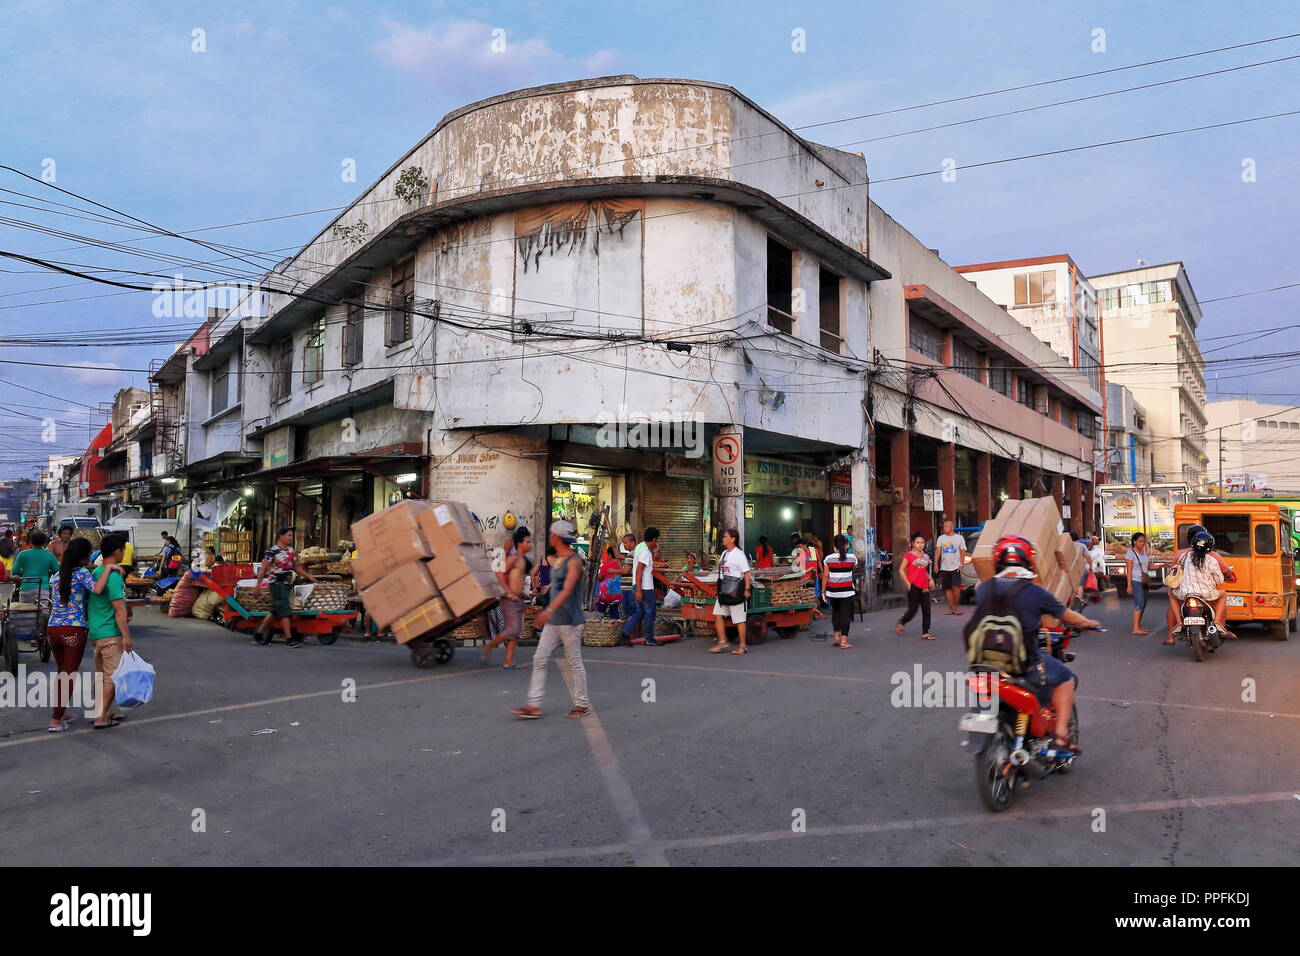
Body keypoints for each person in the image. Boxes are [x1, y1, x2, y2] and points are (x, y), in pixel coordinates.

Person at [967, 534, 1099, 751]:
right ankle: (1061, 735)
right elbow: (1068, 617)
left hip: (985, 665)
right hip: (1025, 664)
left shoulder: (983, 589)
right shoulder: (1035, 592)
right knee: (1065, 679)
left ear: (997, 562)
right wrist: (1087, 623)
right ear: (1028, 561)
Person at [512, 521, 591, 719]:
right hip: (554, 620)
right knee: (539, 659)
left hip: (570, 620)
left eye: (551, 534)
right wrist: (549, 591)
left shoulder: (574, 561)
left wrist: (548, 609)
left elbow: (568, 588)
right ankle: (533, 705)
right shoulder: (558, 559)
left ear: (557, 537)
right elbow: (559, 585)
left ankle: (582, 705)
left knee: (574, 662)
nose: (550, 537)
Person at [45, 537, 116, 732]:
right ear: (85, 556)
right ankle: (55, 720)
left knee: (62, 673)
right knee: (68, 675)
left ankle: (62, 712)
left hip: (53, 629)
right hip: (74, 629)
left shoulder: (58, 575)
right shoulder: (83, 574)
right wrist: (108, 568)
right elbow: (98, 589)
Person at [87, 533, 132, 730]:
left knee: (102, 676)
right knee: (112, 677)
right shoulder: (113, 577)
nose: (124, 553)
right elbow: (119, 609)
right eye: (123, 549)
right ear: (117, 551)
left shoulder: (98, 573)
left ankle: (100, 711)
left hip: (97, 632)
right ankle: (101, 717)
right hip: (109, 632)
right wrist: (126, 636)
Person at [249, 526, 319, 648]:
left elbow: (296, 567)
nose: (291, 538)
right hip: (276, 584)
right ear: (281, 536)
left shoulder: (291, 551)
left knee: (276, 611)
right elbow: (264, 568)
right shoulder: (272, 551)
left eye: (291, 535)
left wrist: (309, 576)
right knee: (284, 610)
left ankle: (259, 634)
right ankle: (289, 639)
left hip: (287, 585)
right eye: (289, 535)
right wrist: (258, 585)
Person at [1164, 524, 1232, 642]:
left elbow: (1174, 572)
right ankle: (1218, 624)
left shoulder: (1182, 555)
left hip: (1184, 592)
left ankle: (1175, 628)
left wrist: (1172, 589)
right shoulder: (1213, 558)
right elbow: (1223, 576)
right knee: (1223, 595)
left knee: (1172, 598)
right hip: (1206, 594)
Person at [482, 526, 532, 668]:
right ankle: (488, 646)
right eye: (527, 541)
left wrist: (524, 595)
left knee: (515, 633)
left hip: (517, 599)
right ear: (520, 544)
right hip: (509, 600)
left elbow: (517, 581)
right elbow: (498, 573)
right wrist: (509, 592)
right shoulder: (513, 558)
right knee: (511, 630)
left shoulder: (522, 560)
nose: (529, 544)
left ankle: (508, 660)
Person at [709, 527, 752, 655]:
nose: (723, 538)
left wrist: (747, 589)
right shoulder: (724, 554)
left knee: (739, 620)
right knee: (717, 615)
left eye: (726, 536)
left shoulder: (739, 554)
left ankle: (743, 646)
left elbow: (746, 572)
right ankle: (723, 642)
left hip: (736, 590)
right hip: (724, 589)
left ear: (733, 539)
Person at [620, 527, 663, 647]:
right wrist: (639, 590)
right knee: (650, 613)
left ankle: (625, 632)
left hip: (637, 585)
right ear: (654, 539)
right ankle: (649, 638)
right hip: (645, 587)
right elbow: (639, 570)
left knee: (640, 612)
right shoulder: (645, 552)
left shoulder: (640, 546)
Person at [821, 533, 859, 648]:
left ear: (834, 545)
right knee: (845, 614)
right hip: (847, 591)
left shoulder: (828, 559)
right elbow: (853, 569)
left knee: (836, 612)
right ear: (845, 544)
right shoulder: (852, 558)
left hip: (833, 590)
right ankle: (844, 642)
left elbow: (826, 576)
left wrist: (823, 592)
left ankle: (836, 637)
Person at [895, 533, 934, 640]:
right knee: (912, 610)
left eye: (922, 542)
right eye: (917, 542)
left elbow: (923, 570)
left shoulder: (926, 556)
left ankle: (925, 632)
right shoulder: (908, 555)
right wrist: (907, 582)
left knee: (927, 610)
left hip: (925, 586)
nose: (920, 545)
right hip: (914, 586)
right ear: (912, 544)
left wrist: (930, 579)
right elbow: (901, 570)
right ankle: (902, 622)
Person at [11, 530, 60, 604]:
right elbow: (57, 572)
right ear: (45, 543)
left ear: (30, 542)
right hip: (43, 589)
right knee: (42, 613)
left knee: (25, 612)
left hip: (25, 589)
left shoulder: (23, 554)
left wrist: (24, 573)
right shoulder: (50, 556)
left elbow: (15, 571)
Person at [935, 519, 967, 615]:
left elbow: (962, 552)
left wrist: (961, 564)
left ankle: (956, 608)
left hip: (956, 566)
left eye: (947, 526)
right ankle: (950, 608)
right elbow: (938, 551)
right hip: (944, 567)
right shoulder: (941, 538)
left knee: (955, 587)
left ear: (952, 527)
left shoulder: (959, 538)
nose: (945, 528)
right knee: (947, 588)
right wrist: (936, 563)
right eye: (944, 526)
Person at [1124, 532, 1152, 635]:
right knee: (1139, 603)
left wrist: (1164, 565)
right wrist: (1129, 585)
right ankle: (1135, 628)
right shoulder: (1130, 553)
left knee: (1143, 604)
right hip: (1136, 581)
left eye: (1144, 541)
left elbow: (1147, 567)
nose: (1142, 543)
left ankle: (1139, 626)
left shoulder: (1144, 552)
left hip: (1144, 581)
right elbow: (1129, 570)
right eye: (1140, 541)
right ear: (1134, 542)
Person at [594, 544, 624, 620]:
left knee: (600, 612)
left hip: (605, 594)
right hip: (616, 594)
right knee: (614, 611)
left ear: (610, 554)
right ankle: (614, 627)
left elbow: (600, 578)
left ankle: (599, 626)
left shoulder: (605, 565)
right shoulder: (622, 566)